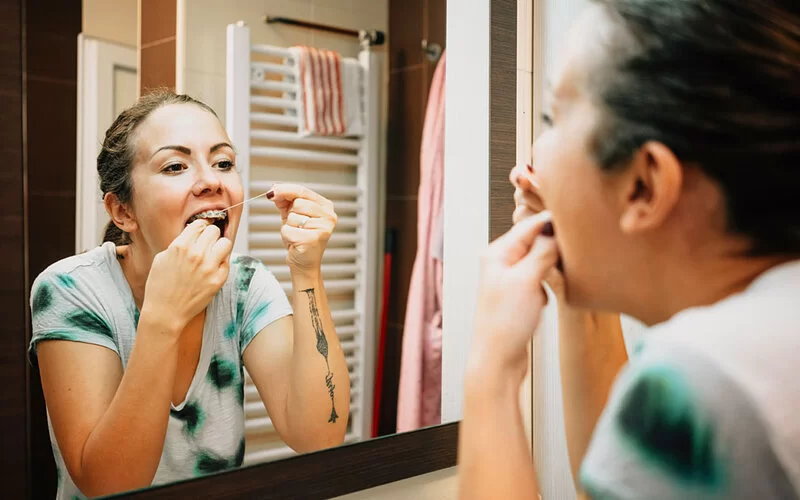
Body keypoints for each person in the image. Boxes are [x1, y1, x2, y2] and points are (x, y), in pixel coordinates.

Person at [459, 0, 800, 498]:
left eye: (553, 117)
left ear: (645, 184)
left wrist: (492, 367)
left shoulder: (708, 377)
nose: (533, 156)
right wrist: (573, 274)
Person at [29, 90, 350, 499]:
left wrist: (307, 270)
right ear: (122, 211)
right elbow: (107, 485)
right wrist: (164, 316)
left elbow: (318, 436)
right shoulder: (71, 290)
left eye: (224, 162)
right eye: (176, 165)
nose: (212, 180)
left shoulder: (246, 285)